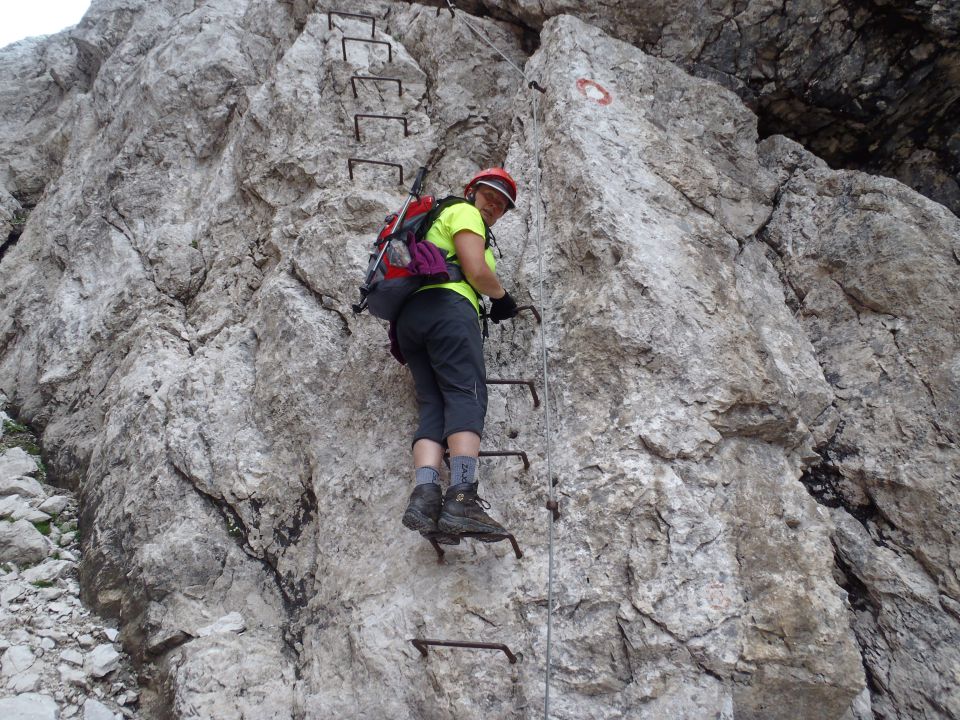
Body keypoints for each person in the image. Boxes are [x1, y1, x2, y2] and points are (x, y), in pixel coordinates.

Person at [396, 167, 520, 542]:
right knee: (466, 393)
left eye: (502, 204)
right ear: (472, 191)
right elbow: (475, 268)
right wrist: (501, 299)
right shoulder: (464, 212)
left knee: (433, 404)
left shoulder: (440, 218)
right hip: (449, 310)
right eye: (490, 194)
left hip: (411, 320)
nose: (494, 204)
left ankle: (426, 495)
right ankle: (462, 496)